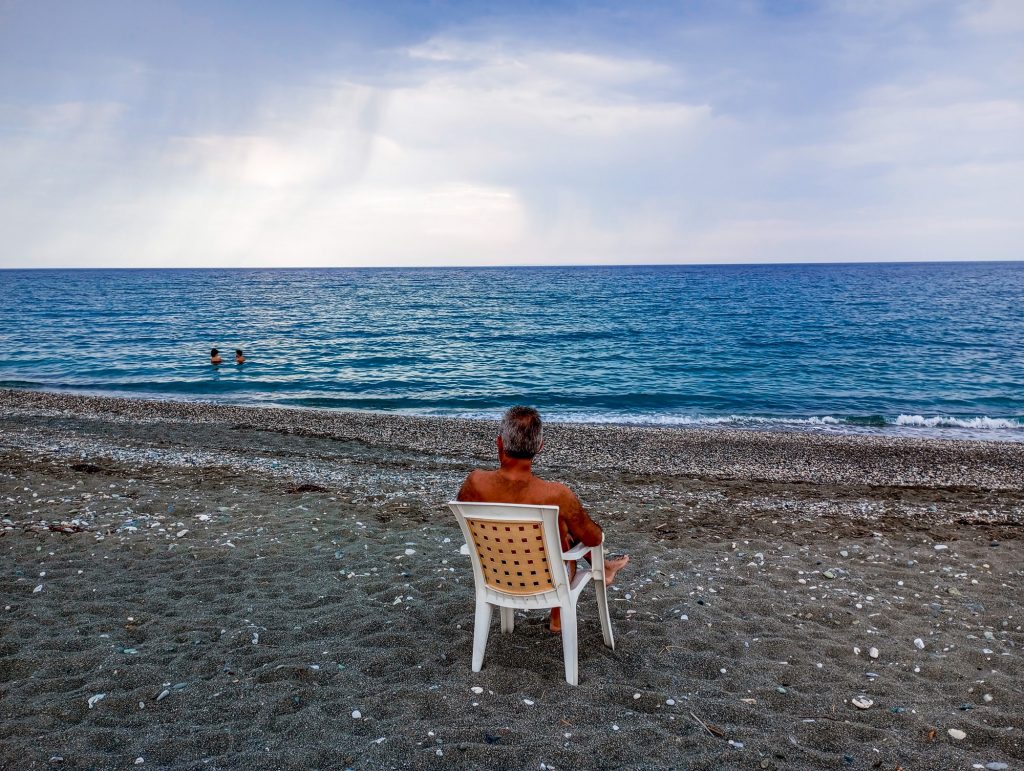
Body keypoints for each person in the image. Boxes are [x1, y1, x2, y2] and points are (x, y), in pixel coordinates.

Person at [457, 405, 629, 632]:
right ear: (540, 446)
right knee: (562, 536)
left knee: (555, 533)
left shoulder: (474, 482)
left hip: (496, 576)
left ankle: (599, 568)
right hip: (547, 582)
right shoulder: (557, 494)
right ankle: (559, 614)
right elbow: (594, 539)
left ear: (499, 442)